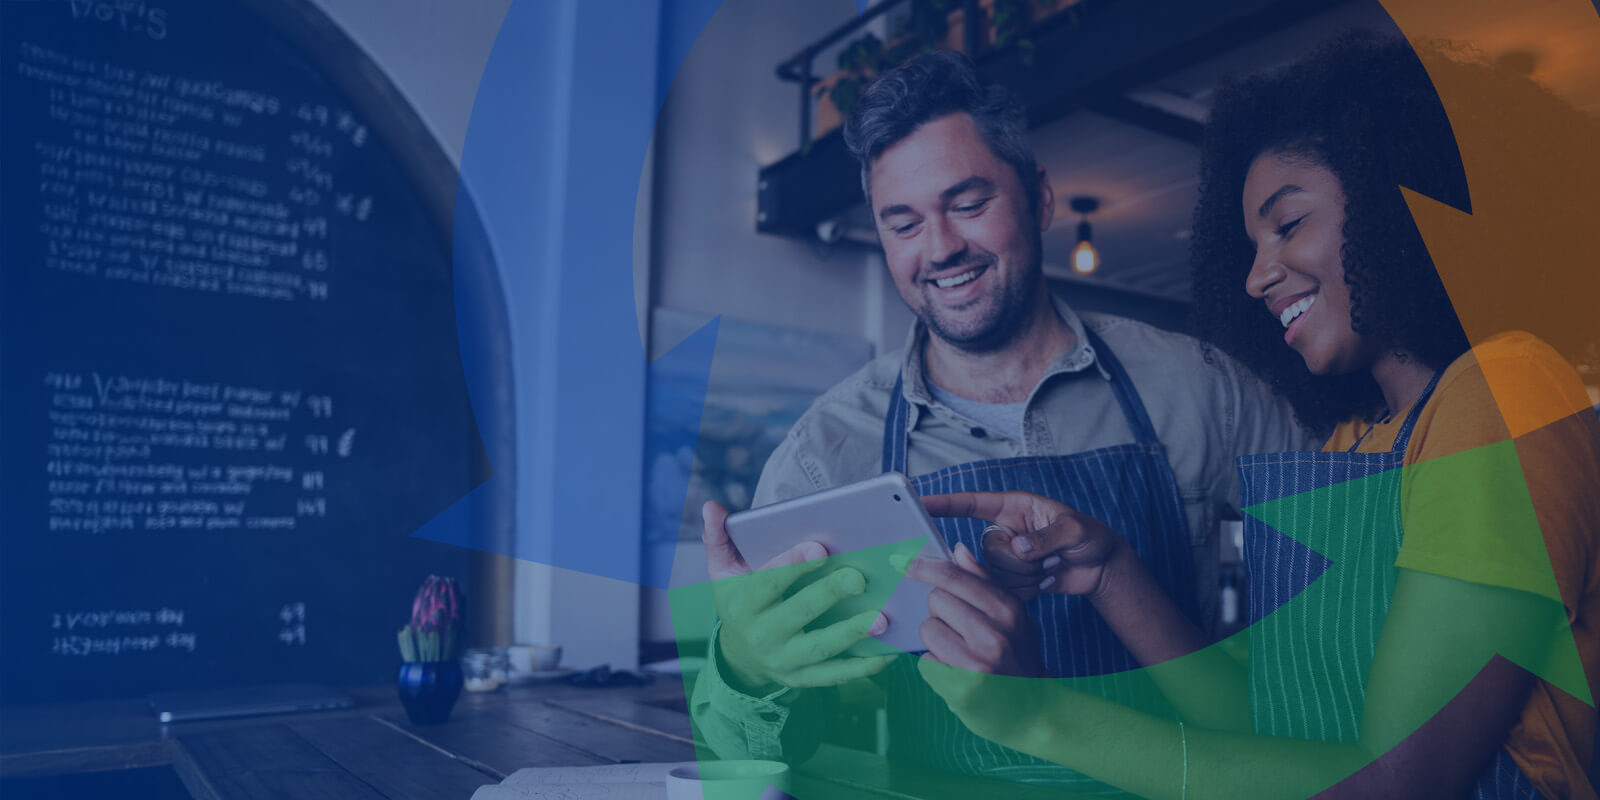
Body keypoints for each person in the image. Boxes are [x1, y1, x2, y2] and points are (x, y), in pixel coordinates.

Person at [912, 33, 1600, 799]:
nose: (1256, 276)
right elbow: (1266, 727)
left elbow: (1398, 779)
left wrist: (1036, 716)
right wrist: (1110, 571)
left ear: (1401, 206)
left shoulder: (1505, 391)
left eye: (1288, 224)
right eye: (1250, 244)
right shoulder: (1355, 439)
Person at [689, 50, 1313, 792]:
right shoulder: (827, 451)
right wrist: (746, 668)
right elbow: (750, 758)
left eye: (968, 203)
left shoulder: (1202, 388)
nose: (940, 248)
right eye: (903, 223)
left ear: (1039, 199)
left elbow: (1341, 621)